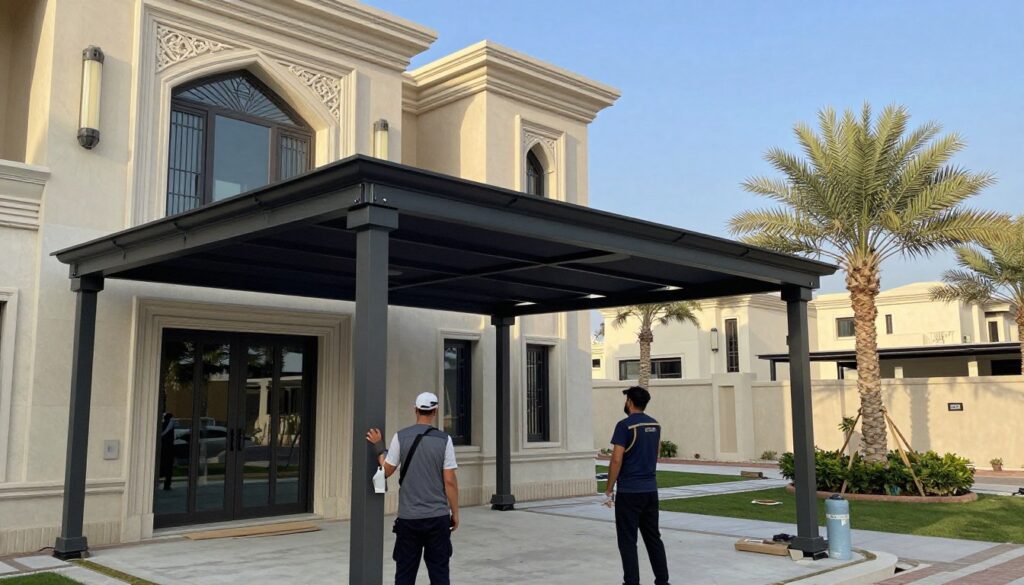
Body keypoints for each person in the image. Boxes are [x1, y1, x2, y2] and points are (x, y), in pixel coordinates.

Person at [366, 392, 459, 585]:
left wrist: (378, 446)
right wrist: (455, 513)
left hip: (408, 519)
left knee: (405, 575)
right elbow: (449, 481)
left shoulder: (400, 437)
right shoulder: (445, 440)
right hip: (437, 518)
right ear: (435, 411)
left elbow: (387, 471)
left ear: (415, 410)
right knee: (440, 574)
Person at [605, 386, 670, 585]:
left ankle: (631, 582)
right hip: (650, 490)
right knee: (653, 538)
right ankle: (663, 581)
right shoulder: (655, 425)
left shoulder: (624, 426)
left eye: (626, 399)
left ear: (630, 402)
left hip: (629, 492)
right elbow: (654, 454)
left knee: (627, 540)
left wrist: (609, 488)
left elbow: (616, 459)